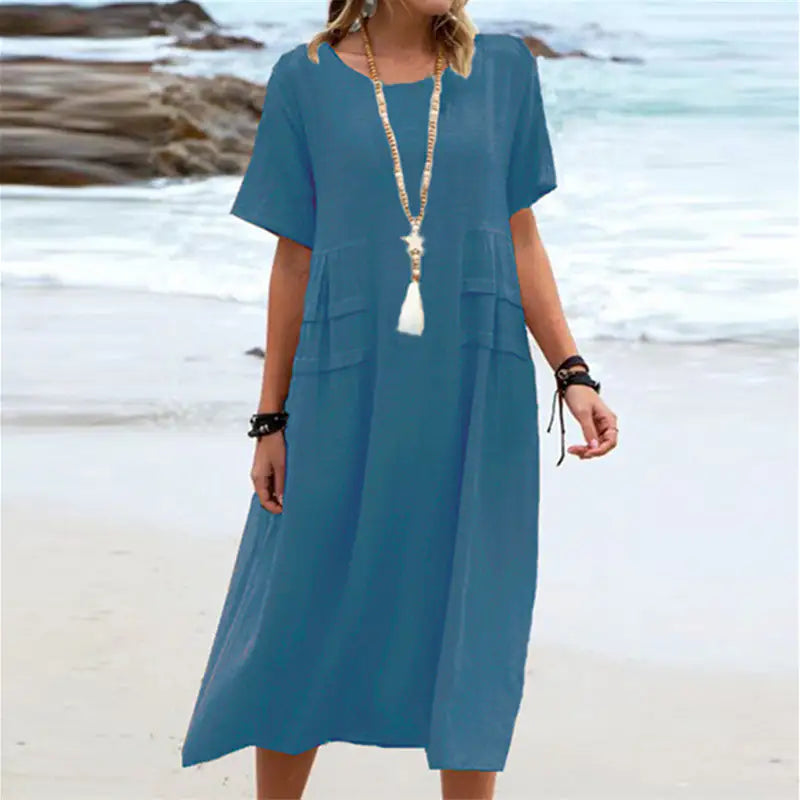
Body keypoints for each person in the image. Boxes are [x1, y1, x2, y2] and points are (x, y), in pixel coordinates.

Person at [180, 0, 619, 797]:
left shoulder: (506, 71)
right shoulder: (305, 78)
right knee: (301, 600)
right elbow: (293, 258)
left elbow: (520, 234)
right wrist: (270, 418)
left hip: (475, 382)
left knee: (473, 600)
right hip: (345, 376)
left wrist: (573, 371)